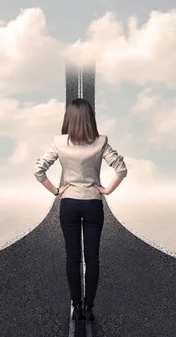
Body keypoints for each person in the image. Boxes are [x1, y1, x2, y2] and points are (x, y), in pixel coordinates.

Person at [33, 98, 128, 323]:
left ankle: (76, 306)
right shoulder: (101, 141)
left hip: (69, 204)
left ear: (69, 119)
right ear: (90, 119)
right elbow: (121, 169)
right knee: (92, 258)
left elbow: (39, 171)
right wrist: (106, 190)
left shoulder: (58, 142)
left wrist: (56, 191)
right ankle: (89, 307)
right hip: (93, 203)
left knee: (72, 257)